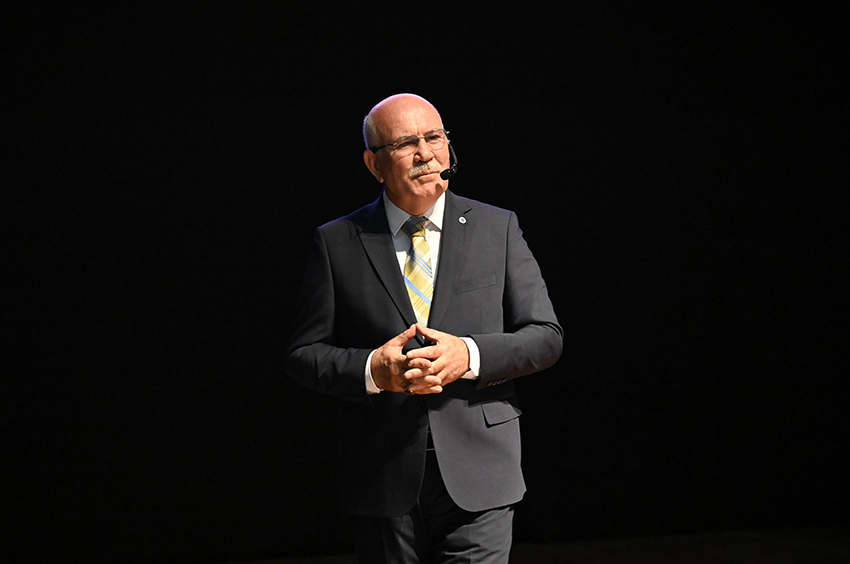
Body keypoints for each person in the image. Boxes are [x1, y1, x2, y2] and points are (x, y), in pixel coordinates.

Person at [285, 93, 562, 563]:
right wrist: (374, 370)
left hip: (481, 468)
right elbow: (304, 354)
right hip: (382, 474)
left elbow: (545, 336)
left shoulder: (497, 227)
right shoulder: (337, 241)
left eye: (434, 137)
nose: (425, 154)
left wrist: (468, 355)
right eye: (405, 144)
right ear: (374, 164)